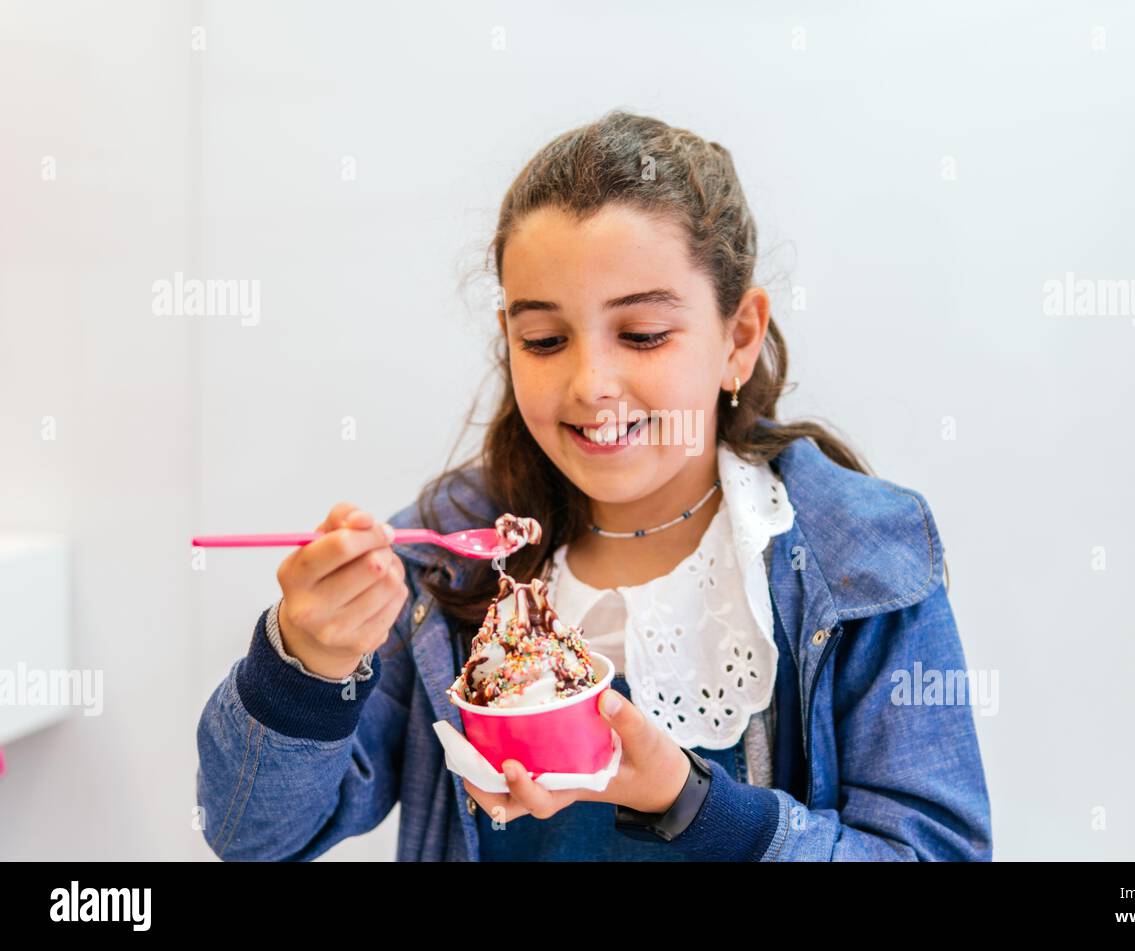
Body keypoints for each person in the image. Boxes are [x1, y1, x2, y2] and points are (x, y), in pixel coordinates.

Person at [196, 110, 992, 861]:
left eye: (642, 334)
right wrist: (304, 663)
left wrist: (696, 805)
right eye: (544, 340)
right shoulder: (451, 564)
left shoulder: (862, 564)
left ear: (738, 338)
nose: (590, 383)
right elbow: (253, 835)